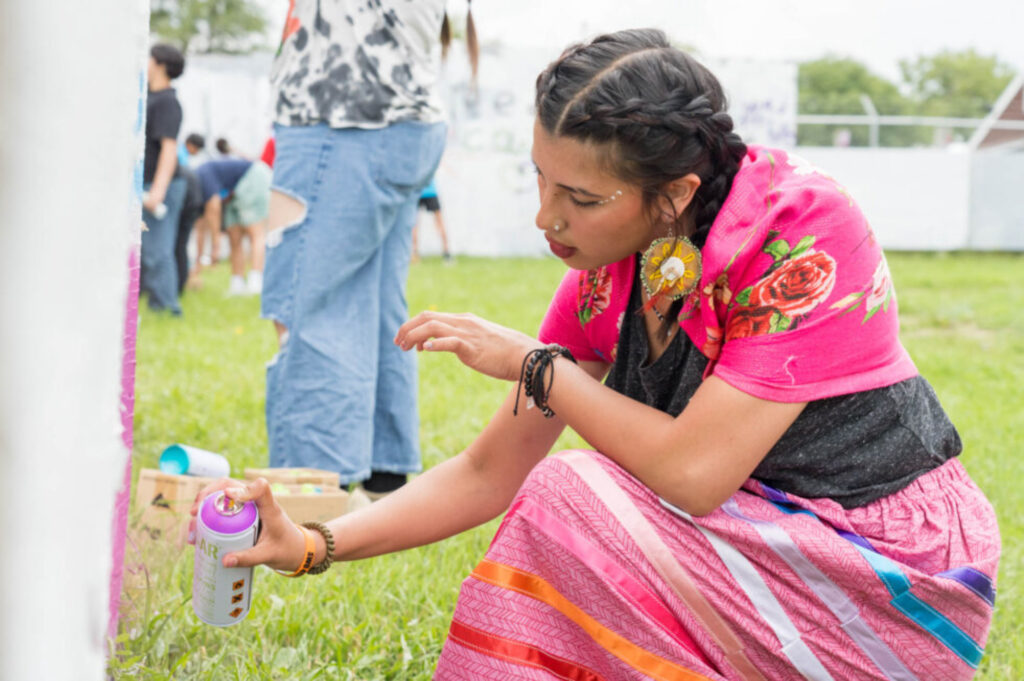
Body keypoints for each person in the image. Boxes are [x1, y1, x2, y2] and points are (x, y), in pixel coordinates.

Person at [195, 29, 999, 680]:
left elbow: (691, 475)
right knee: (567, 492)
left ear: (675, 193)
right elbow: (486, 473)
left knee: (574, 491)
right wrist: (312, 544)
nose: (547, 218)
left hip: (887, 578)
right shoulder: (613, 266)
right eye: (541, 180)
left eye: (580, 199)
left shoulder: (801, 234)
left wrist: (533, 363)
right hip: (751, 544)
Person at [259, 1, 476, 498]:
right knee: (375, 300)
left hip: (342, 113)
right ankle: (381, 476)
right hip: (398, 113)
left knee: (306, 305)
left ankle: (312, 494)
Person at [140, 44, 187, 315]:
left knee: (159, 250)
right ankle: (158, 304)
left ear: (159, 64)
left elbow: (169, 148)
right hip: (148, 182)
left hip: (163, 185)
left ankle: (169, 308)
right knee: (150, 251)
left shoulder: (167, 101)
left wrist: (158, 190)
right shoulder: (149, 97)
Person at [194, 158, 272, 295]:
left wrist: (215, 247)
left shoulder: (202, 175)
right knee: (233, 236)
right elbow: (200, 227)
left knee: (255, 233)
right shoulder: (195, 192)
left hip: (252, 177)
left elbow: (214, 207)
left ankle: (256, 282)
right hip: (233, 192)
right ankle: (237, 283)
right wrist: (198, 263)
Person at [411, 177, 452, 264]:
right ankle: (446, 253)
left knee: (415, 224)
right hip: (422, 192)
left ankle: (446, 252)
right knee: (415, 224)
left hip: (422, 191)